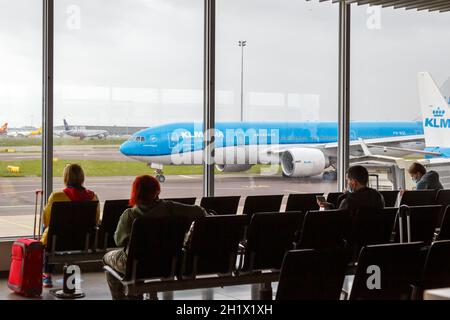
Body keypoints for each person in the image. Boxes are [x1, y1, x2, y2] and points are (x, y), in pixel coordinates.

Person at [102, 175, 207, 300]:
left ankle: (122, 297)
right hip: (167, 261)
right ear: (157, 191)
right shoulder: (170, 208)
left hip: (137, 264)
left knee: (107, 258)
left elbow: (119, 241)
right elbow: (200, 212)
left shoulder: (130, 215)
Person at [41, 163, 100, 288]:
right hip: (83, 242)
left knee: (46, 230)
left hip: (59, 241)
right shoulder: (93, 197)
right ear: (82, 178)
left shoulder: (57, 197)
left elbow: (46, 221)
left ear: (66, 178)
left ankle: (47, 274)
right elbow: (95, 221)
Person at [318, 165, 385, 213]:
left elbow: (337, 221)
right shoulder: (378, 197)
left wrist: (347, 195)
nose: (347, 183)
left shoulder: (348, 202)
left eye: (348, 180)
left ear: (353, 182)